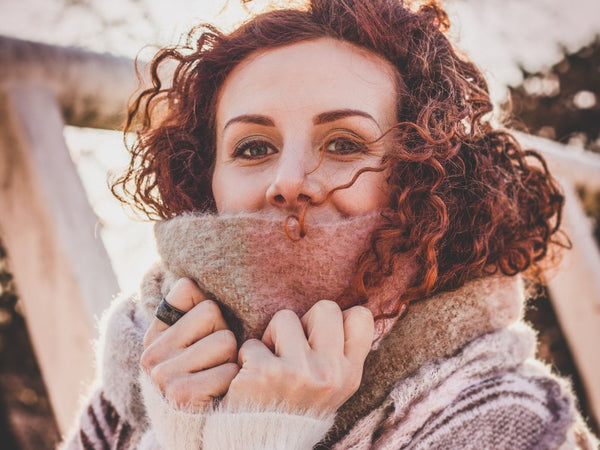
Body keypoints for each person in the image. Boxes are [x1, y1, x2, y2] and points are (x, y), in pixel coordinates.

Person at [62, 0, 598, 448]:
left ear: (425, 173)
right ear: (208, 183)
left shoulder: (509, 422)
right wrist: (176, 428)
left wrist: (256, 437)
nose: (290, 180)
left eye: (344, 144)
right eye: (253, 147)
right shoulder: (144, 364)